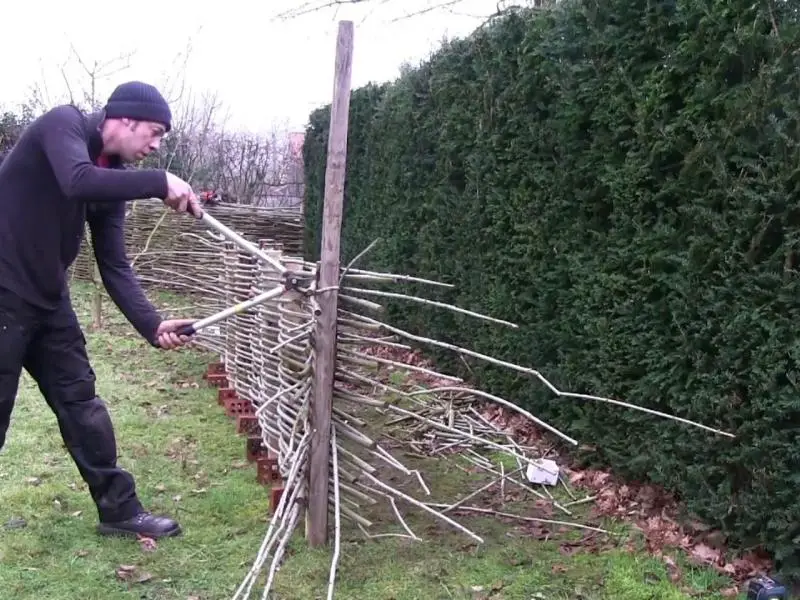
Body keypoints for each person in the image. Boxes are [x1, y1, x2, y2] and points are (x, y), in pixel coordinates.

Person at [0, 81, 203, 539]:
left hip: (49, 303)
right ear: (125, 119)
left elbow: (113, 265)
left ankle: (119, 511)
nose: (156, 145)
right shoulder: (63, 124)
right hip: (2, 294)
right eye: (154, 132)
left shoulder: (112, 183)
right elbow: (75, 180)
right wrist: (158, 183)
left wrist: (152, 324)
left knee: (83, 406)